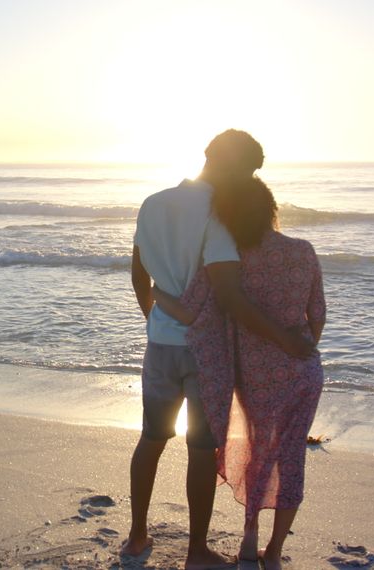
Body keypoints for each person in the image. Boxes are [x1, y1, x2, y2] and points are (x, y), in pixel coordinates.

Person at [124, 130, 314, 569]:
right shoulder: (219, 213)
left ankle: (136, 536)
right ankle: (196, 552)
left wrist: (155, 320)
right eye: (247, 171)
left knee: (151, 438)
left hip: (160, 343)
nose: (248, 181)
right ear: (231, 165)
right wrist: (283, 338)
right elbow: (229, 295)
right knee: (200, 448)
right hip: (204, 349)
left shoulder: (152, 202)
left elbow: (138, 274)